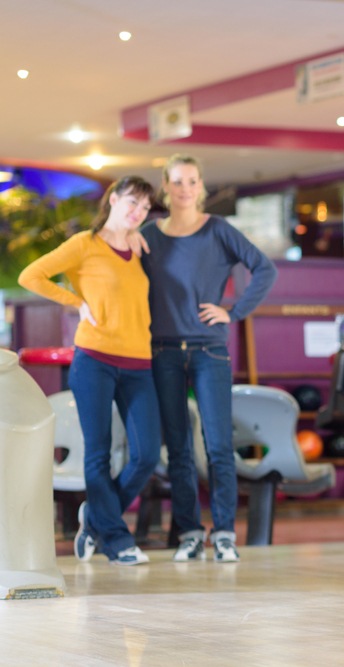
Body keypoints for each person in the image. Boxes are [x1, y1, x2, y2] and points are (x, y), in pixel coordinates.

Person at [139, 154, 277, 563]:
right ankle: (189, 533)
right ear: (165, 186)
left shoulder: (218, 230)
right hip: (161, 351)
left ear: (201, 187)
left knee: (218, 446)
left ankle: (224, 533)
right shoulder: (147, 234)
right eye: (177, 182)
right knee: (178, 448)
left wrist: (233, 311)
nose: (185, 189)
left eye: (192, 181)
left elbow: (264, 269)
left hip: (209, 351)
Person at [19, 176, 160, 566]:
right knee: (97, 454)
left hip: (138, 364)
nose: (139, 213)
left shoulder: (138, 245)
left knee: (146, 453)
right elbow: (30, 275)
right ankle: (116, 540)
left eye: (146, 208)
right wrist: (76, 302)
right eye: (133, 203)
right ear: (113, 199)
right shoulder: (85, 244)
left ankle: (96, 519)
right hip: (94, 360)